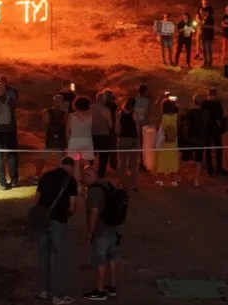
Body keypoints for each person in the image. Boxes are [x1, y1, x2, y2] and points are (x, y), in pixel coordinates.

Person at [34, 157, 78, 305]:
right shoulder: (71, 182)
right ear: (71, 168)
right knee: (58, 258)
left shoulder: (45, 176)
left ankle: (44, 290)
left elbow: (37, 199)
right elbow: (72, 208)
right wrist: (66, 215)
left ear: (61, 165)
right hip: (58, 221)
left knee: (43, 256)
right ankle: (58, 295)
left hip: (41, 220)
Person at [82, 164, 120, 301]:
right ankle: (112, 287)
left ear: (91, 175)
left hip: (101, 230)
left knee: (100, 260)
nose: (84, 178)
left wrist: (89, 234)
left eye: (86, 175)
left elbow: (94, 213)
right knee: (111, 258)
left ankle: (100, 290)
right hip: (112, 228)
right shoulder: (107, 184)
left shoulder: (93, 192)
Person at [0, 82, 19, 190]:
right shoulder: (11, 101)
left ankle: (2, 182)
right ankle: (14, 180)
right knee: (11, 155)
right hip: (10, 131)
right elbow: (14, 114)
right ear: (5, 90)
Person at [32, 94, 68, 183]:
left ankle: (37, 175)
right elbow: (64, 125)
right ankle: (38, 175)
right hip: (56, 138)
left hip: (54, 138)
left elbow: (45, 124)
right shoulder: (63, 113)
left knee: (51, 158)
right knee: (55, 158)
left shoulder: (48, 112)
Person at [115, 97, 141, 191]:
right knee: (134, 164)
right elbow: (138, 128)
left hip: (122, 140)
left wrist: (119, 136)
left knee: (122, 164)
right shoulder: (134, 114)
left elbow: (117, 128)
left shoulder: (120, 114)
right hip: (133, 140)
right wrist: (138, 139)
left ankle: (123, 183)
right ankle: (134, 184)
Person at [155, 95, 180, 186]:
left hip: (164, 141)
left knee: (161, 159)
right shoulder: (175, 116)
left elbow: (160, 128)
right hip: (173, 142)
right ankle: (173, 180)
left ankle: (160, 180)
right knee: (172, 160)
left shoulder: (163, 117)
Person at [184, 95, 208, 187]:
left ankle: (183, 176)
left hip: (191, 138)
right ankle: (196, 180)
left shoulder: (189, 112)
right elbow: (206, 125)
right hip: (200, 139)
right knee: (199, 159)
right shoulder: (205, 113)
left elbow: (187, 126)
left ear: (194, 102)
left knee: (186, 157)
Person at [203, 88, 227, 176]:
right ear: (215, 94)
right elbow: (220, 117)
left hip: (207, 129)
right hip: (215, 130)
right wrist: (222, 128)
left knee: (208, 150)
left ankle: (209, 170)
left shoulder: (204, 103)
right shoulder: (217, 104)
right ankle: (219, 168)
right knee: (218, 149)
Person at [91, 93, 114, 179]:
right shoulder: (106, 110)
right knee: (103, 158)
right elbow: (111, 124)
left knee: (91, 157)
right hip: (104, 135)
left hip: (92, 135)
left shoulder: (90, 108)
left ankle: (89, 174)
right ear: (101, 99)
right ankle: (101, 176)